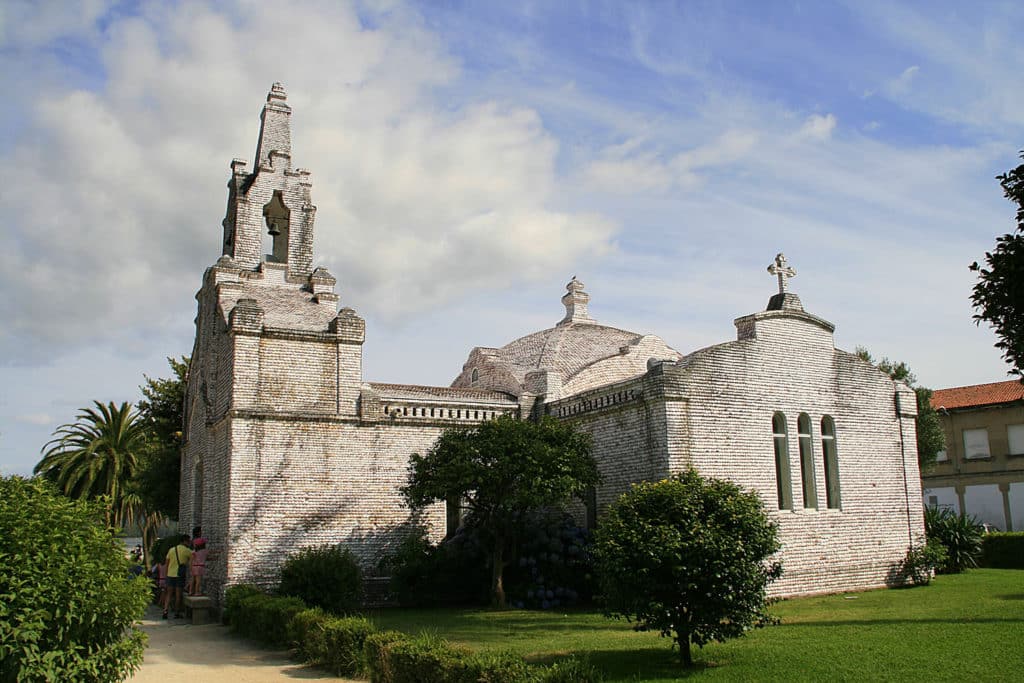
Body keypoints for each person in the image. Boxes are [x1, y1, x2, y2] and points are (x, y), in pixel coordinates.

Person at [163, 534, 192, 619]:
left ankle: (165, 610)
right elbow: (192, 561)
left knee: (169, 594)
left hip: (170, 574)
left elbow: (167, 563)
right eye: (189, 541)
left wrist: (165, 575)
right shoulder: (187, 551)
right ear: (185, 541)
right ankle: (177, 612)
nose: (190, 543)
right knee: (178, 594)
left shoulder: (171, 550)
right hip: (179, 575)